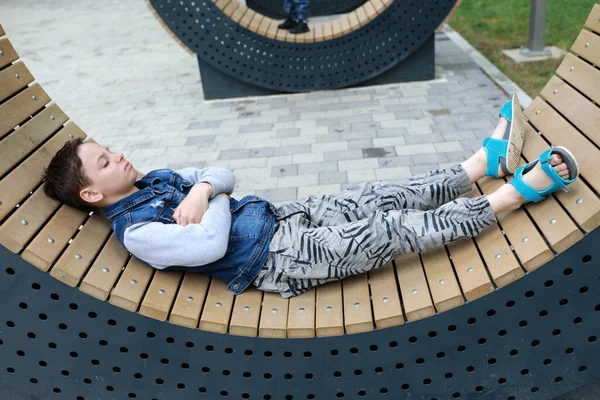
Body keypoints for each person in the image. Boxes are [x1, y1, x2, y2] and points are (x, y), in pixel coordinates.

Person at [43, 94, 579, 299]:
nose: (120, 156)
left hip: (281, 217)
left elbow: (223, 171)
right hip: (280, 261)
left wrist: (205, 188)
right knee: (385, 231)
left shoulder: (155, 179)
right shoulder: (139, 234)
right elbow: (209, 245)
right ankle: (508, 196)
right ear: (92, 193)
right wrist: (212, 198)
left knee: (377, 195)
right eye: (107, 161)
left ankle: (479, 166)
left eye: (109, 148)